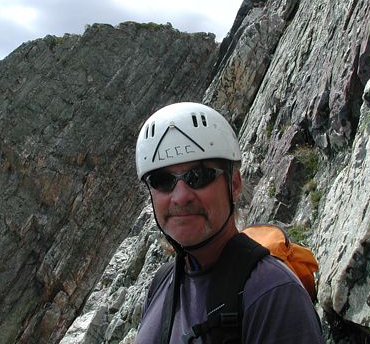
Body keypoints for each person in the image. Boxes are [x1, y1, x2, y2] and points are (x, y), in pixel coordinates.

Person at [134, 102, 324, 343]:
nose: (181, 197)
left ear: (233, 185)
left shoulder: (272, 293)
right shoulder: (163, 283)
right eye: (162, 180)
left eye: (199, 176)